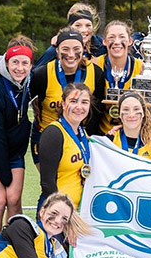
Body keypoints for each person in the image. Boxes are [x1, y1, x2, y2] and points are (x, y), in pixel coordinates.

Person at [0, 39, 35, 243]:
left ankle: (14, 246)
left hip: (14, 153)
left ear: (30, 65)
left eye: (24, 63)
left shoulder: (27, 82)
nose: (19, 68)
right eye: (15, 63)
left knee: (14, 200)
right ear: (7, 63)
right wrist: (3, 169)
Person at [29, 28, 104, 168]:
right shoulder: (42, 74)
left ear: (83, 49)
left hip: (82, 138)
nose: (71, 54)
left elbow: (97, 112)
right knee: (51, 185)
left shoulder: (95, 72)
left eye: (76, 49)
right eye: (65, 49)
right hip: (48, 137)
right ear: (56, 50)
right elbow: (30, 103)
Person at [38, 82, 94, 209]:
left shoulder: (82, 132)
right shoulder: (54, 133)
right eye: (73, 101)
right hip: (57, 213)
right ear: (63, 104)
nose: (79, 107)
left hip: (80, 211)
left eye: (84, 102)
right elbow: (47, 184)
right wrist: (62, 212)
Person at [96, 20, 144, 135]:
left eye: (122, 37)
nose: (117, 42)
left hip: (132, 134)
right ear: (104, 41)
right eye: (111, 37)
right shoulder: (94, 65)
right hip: (102, 134)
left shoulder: (142, 68)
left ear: (130, 41)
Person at [35, 3, 106, 69]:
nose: (84, 30)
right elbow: (35, 75)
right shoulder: (56, 50)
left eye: (88, 25)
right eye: (78, 25)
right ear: (69, 27)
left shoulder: (102, 47)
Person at [106, 91, 151, 160]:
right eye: (126, 109)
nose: (131, 115)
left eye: (136, 109)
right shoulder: (109, 140)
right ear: (119, 114)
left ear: (143, 113)